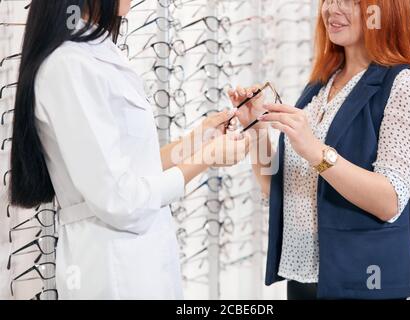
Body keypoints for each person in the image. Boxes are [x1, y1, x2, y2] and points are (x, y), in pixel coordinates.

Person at [9, 0, 248, 299]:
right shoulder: (68, 66)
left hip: (137, 257)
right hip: (110, 265)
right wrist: (209, 158)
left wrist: (200, 139)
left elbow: (135, 168)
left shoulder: (95, 53)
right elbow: (120, 200)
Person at [229, 0, 410, 300]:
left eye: (350, 1)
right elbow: (277, 191)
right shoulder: (320, 85)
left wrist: (315, 151)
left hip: (363, 280)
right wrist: (257, 132)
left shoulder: (406, 86)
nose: (332, 9)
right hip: (302, 278)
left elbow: (390, 200)